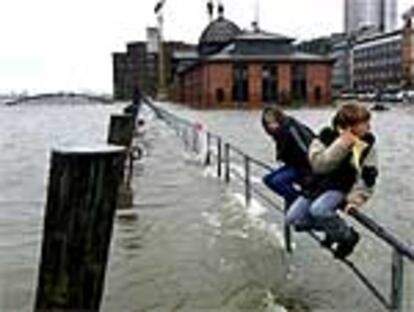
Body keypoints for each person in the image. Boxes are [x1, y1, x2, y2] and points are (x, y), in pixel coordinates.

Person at [286, 103, 378, 259]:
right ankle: (334, 230)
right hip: (316, 185)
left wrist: (354, 200)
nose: (369, 127)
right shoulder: (325, 135)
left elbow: (368, 177)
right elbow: (319, 166)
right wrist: (342, 144)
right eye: (364, 123)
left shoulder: (366, 145)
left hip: (340, 187)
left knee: (318, 210)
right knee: (293, 220)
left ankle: (348, 238)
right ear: (350, 126)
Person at [262, 106, 315, 207]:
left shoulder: (290, 129)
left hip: (304, 167)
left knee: (277, 181)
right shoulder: (279, 133)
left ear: (279, 118)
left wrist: (311, 175)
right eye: (268, 123)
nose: (271, 126)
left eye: (273, 122)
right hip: (294, 164)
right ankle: (295, 199)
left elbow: (306, 149)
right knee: (267, 179)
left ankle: (299, 202)